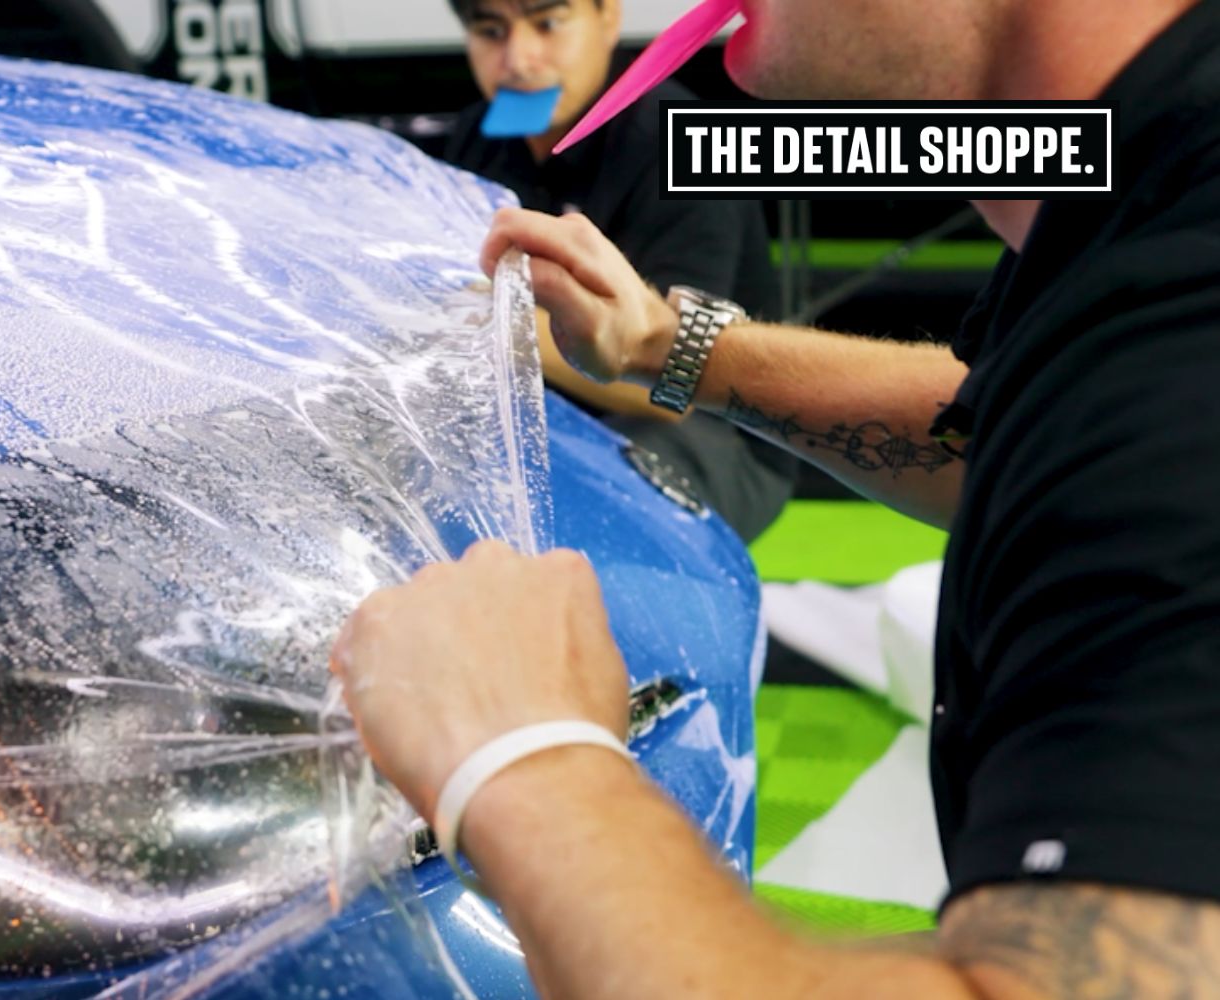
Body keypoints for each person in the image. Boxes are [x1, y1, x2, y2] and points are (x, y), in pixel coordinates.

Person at [331, 0, 1220, 995]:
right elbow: (1007, 427)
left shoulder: (1186, 319)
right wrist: (669, 347)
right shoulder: (1144, 183)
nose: (521, 54)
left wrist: (526, 762)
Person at [442, 0, 797, 541]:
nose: (518, 58)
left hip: (712, 433)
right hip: (555, 409)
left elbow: (685, 384)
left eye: (548, 23)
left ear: (609, 17)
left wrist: (506, 330)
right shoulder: (479, 136)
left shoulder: (681, 144)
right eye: (490, 30)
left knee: (590, 514)